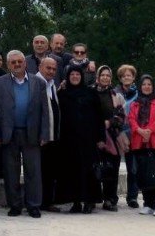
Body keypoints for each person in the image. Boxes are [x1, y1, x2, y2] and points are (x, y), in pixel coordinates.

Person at [0, 50, 51, 218]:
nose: (17, 64)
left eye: (19, 62)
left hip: (32, 133)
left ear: (25, 63)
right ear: (8, 65)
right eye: (13, 62)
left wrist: (45, 134)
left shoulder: (38, 83)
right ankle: (15, 205)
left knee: (33, 171)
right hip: (9, 134)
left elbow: (45, 111)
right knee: (11, 172)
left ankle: (33, 205)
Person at [57, 65, 104, 213]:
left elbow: (99, 116)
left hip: (88, 140)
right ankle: (76, 201)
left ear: (82, 76)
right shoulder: (63, 94)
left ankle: (89, 201)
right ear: (68, 77)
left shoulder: (91, 93)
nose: (75, 77)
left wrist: (100, 137)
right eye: (72, 74)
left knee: (88, 171)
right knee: (72, 171)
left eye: (78, 74)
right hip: (69, 141)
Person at [129, 74, 155, 216]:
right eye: (144, 84)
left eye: (149, 84)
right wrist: (140, 131)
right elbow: (131, 119)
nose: (146, 87)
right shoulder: (136, 103)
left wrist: (149, 131)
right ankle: (148, 203)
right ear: (140, 87)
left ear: (153, 86)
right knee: (144, 173)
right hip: (140, 142)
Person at [95, 65, 125, 211]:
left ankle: (110, 199)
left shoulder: (116, 95)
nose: (105, 77)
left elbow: (121, 117)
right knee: (93, 168)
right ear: (98, 77)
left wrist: (108, 123)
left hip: (112, 137)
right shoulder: (90, 92)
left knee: (112, 168)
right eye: (103, 75)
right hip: (93, 137)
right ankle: (92, 198)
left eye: (108, 75)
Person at [36, 56, 62, 212]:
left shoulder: (52, 85)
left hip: (52, 137)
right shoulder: (34, 83)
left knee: (49, 171)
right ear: (40, 67)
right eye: (48, 68)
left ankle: (47, 202)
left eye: (53, 69)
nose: (51, 71)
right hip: (40, 138)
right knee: (38, 172)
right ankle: (36, 202)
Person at [115, 64, 140, 208]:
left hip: (134, 132)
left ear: (133, 77)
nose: (126, 78)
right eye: (124, 75)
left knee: (133, 168)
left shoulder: (139, 93)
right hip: (118, 132)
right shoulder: (115, 92)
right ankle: (112, 197)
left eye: (129, 75)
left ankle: (132, 197)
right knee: (114, 165)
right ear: (120, 78)